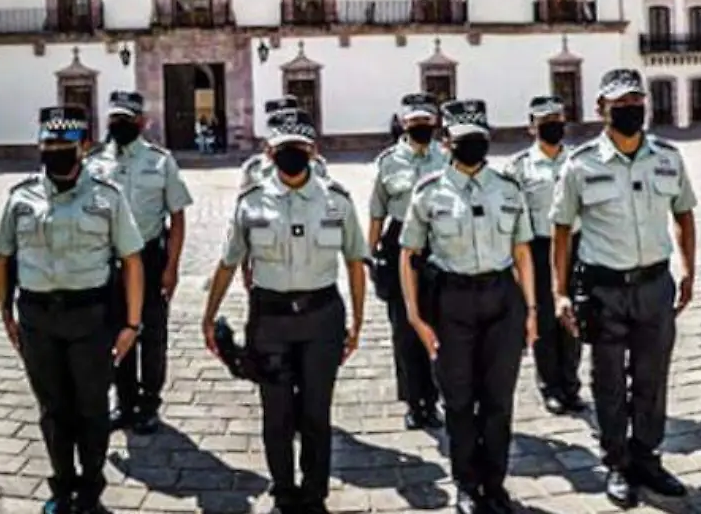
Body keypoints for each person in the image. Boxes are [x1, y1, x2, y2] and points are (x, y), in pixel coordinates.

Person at [201, 112, 366, 514]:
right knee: (276, 413)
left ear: (313, 150)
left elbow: (355, 263)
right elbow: (228, 262)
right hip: (270, 319)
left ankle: (314, 495)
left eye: (300, 147)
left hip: (322, 316)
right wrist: (208, 317)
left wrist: (358, 322)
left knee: (315, 412)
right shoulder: (251, 203)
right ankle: (283, 490)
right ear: (268, 151)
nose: (292, 154)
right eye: (284, 148)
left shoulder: (336, 201)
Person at [552, 69, 697, 508]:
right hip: (604, 290)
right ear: (601, 110)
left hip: (655, 285)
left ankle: (647, 458)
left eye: (637, 102)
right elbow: (561, 231)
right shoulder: (580, 165)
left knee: (652, 379)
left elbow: (684, 213)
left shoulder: (668, 157)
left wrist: (689, 268)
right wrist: (560, 293)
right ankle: (616, 462)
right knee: (608, 381)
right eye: (621, 104)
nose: (631, 110)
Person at [0, 105, 145, 514]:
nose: (56, 150)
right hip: (38, 317)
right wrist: (7, 315)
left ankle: (91, 485)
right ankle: (62, 486)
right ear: (39, 146)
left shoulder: (107, 198)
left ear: (83, 147)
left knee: (93, 406)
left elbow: (131, 259)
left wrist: (132, 323)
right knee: (53, 408)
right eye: (49, 143)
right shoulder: (20, 197)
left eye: (65, 144)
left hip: (91, 317)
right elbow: (2, 257)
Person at [403, 99, 536, 514]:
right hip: (451, 303)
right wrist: (414, 316)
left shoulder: (508, 188)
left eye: (479, 139)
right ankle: (466, 483)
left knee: (498, 399)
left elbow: (522, 252)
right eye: (463, 140)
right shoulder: (428, 193)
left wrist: (531, 311)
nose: (471, 146)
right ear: (447, 142)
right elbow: (409, 254)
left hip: (501, 300)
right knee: (458, 401)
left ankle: (494, 484)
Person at [90, 89, 191, 435]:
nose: (119, 125)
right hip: (110, 261)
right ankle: (126, 401)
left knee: (152, 333)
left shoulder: (161, 161)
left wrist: (172, 267)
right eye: (114, 119)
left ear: (141, 122)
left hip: (149, 257)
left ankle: (149, 403)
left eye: (126, 119)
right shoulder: (95, 162)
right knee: (117, 330)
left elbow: (177, 218)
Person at [369, 93, 447, 429]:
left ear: (435, 124)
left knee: (439, 322)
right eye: (414, 123)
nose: (420, 128)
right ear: (403, 124)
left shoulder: (446, 157)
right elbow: (377, 212)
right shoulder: (388, 162)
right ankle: (415, 401)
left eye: (426, 123)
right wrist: (371, 254)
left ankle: (437, 397)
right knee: (404, 327)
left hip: (438, 241)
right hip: (400, 245)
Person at [506, 96, 586, 414]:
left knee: (572, 315)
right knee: (541, 318)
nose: (553, 126)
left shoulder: (578, 161)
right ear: (532, 127)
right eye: (545, 122)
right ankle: (549, 386)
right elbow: (513, 215)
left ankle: (571, 385)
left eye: (557, 119)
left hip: (576, 245)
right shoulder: (519, 167)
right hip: (537, 248)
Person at [242, 98, 328, 189]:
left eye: (298, 145)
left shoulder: (318, 166)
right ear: (268, 149)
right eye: (283, 146)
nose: (291, 151)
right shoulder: (254, 169)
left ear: (313, 150)